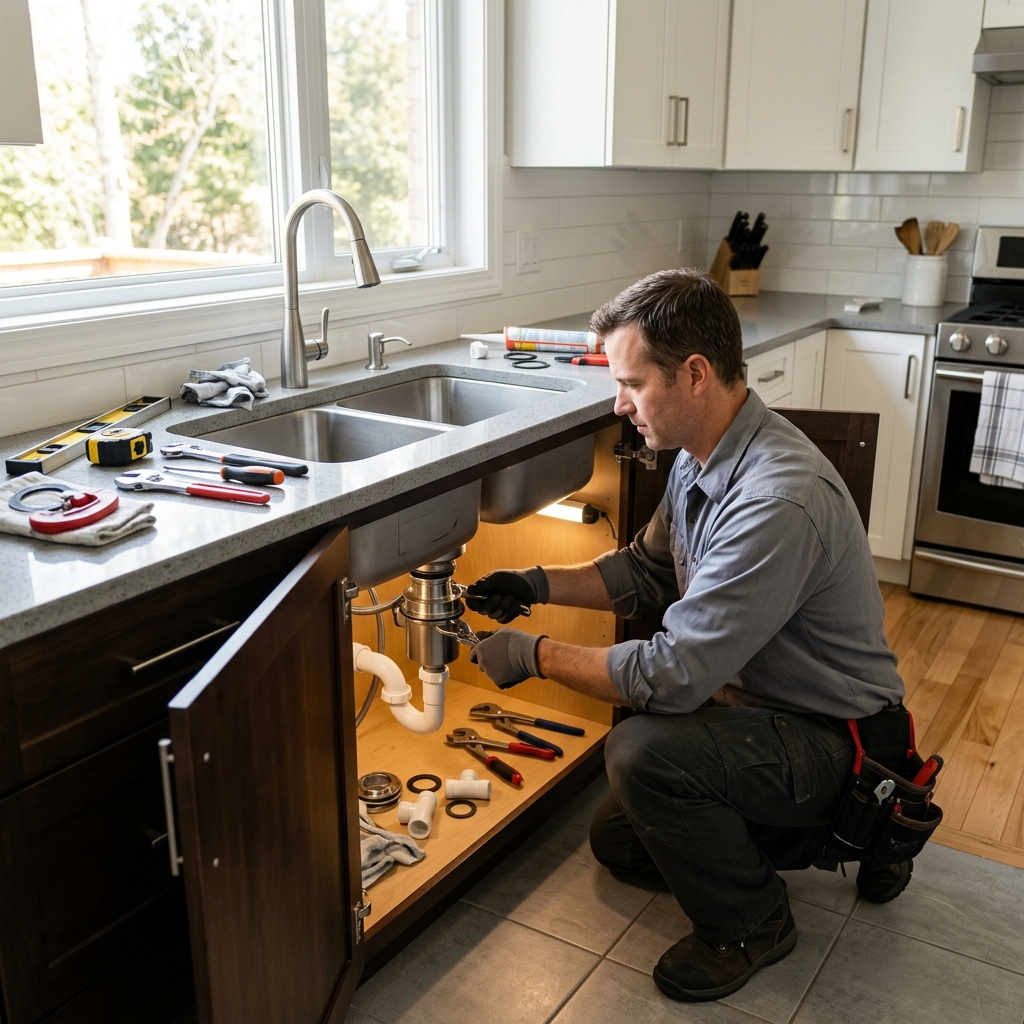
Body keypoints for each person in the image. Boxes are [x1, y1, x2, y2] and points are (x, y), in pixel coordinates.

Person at [464, 268, 908, 1004]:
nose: (619, 404)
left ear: (695, 374)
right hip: (759, 711)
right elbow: (645, 571)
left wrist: (531, 655)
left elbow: (672, 675)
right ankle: (846, 835)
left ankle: (760, 918)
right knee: (621, 844)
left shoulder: (777, 499)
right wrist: (537, 584)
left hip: (838, 735)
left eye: (633, 383)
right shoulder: (701, 456)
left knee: (641, 753)